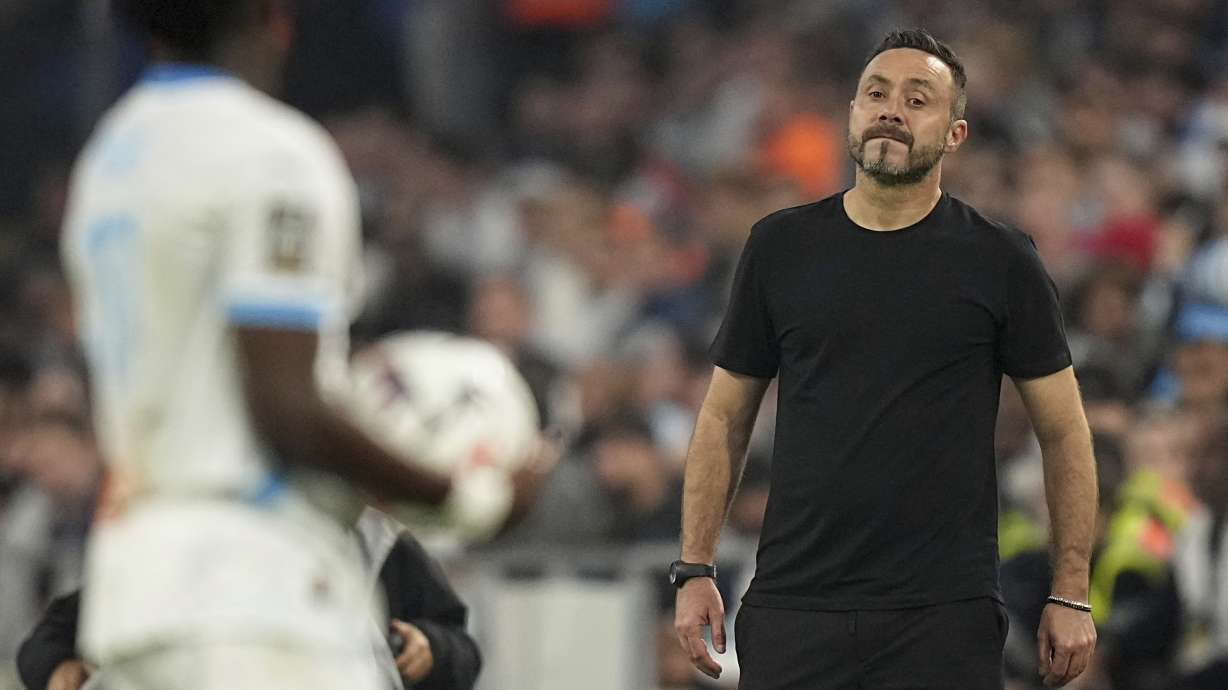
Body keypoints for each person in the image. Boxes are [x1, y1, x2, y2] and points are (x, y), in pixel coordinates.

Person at [59, 2, 546, 689]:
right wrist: (467, 496)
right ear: (272, 16)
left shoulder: (110, 158)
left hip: (135, 585)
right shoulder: (271, 154)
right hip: (253, 593)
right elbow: (287, 408)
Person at [672, 29, 1098, 690]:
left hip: (942, 614)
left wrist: (1070, 591)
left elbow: (1065, 431)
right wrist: (695, 568)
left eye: (917, 99)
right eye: (876, 94)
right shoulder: (779, 247)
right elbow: (725, 416)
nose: (891, 110)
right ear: (851, 113)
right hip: (795, 607)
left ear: (954, 135)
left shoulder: (1000, 258)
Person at [17, 509, 481, 690]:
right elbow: (52, 635)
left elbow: (462, 649)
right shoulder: (183, 540)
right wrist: (58, 668)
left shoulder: (373, 541)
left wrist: (432, 650)